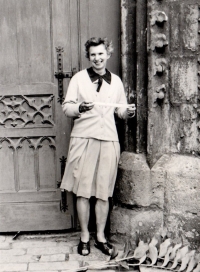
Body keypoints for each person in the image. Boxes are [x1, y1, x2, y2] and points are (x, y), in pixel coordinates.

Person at [60, 37, 135, 256]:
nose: (97, 58)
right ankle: (84, 237)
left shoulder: (116, 82)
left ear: (108, 55)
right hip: (84, 139)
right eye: (93, 54)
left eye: (101, 54)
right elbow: (67, 107)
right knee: (83, 192)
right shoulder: (79, 79)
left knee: (103, 193)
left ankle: (101, 237)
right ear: (89, 56)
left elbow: (119, 111)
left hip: (109, 140)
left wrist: (127, 112)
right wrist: (80, 107)